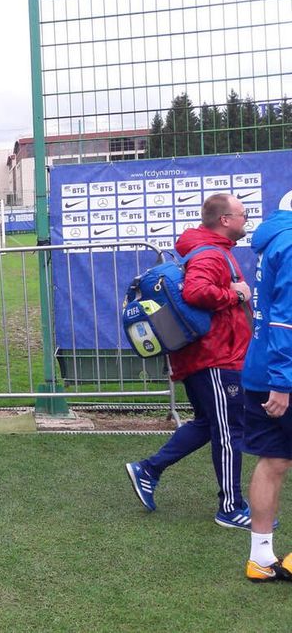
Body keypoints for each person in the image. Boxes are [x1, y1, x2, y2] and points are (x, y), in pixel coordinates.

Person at [126, 194, 253, 526]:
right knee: (229, 431)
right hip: (216, 357)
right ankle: (230, 508)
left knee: (207, 423)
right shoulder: (210, 253)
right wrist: (236, 294)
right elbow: (195, 292)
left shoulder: (208, 249)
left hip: (208, 356)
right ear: (225, 220)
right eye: (243, 214)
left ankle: (148, 469)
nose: (246, 219)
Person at [241, 207, 292, 581]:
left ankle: (260, 558)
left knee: (273, 461)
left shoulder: (273, 240)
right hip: (281, 374)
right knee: (273, 461)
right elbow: (284, 319)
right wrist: (282, 382)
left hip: (262, 368)